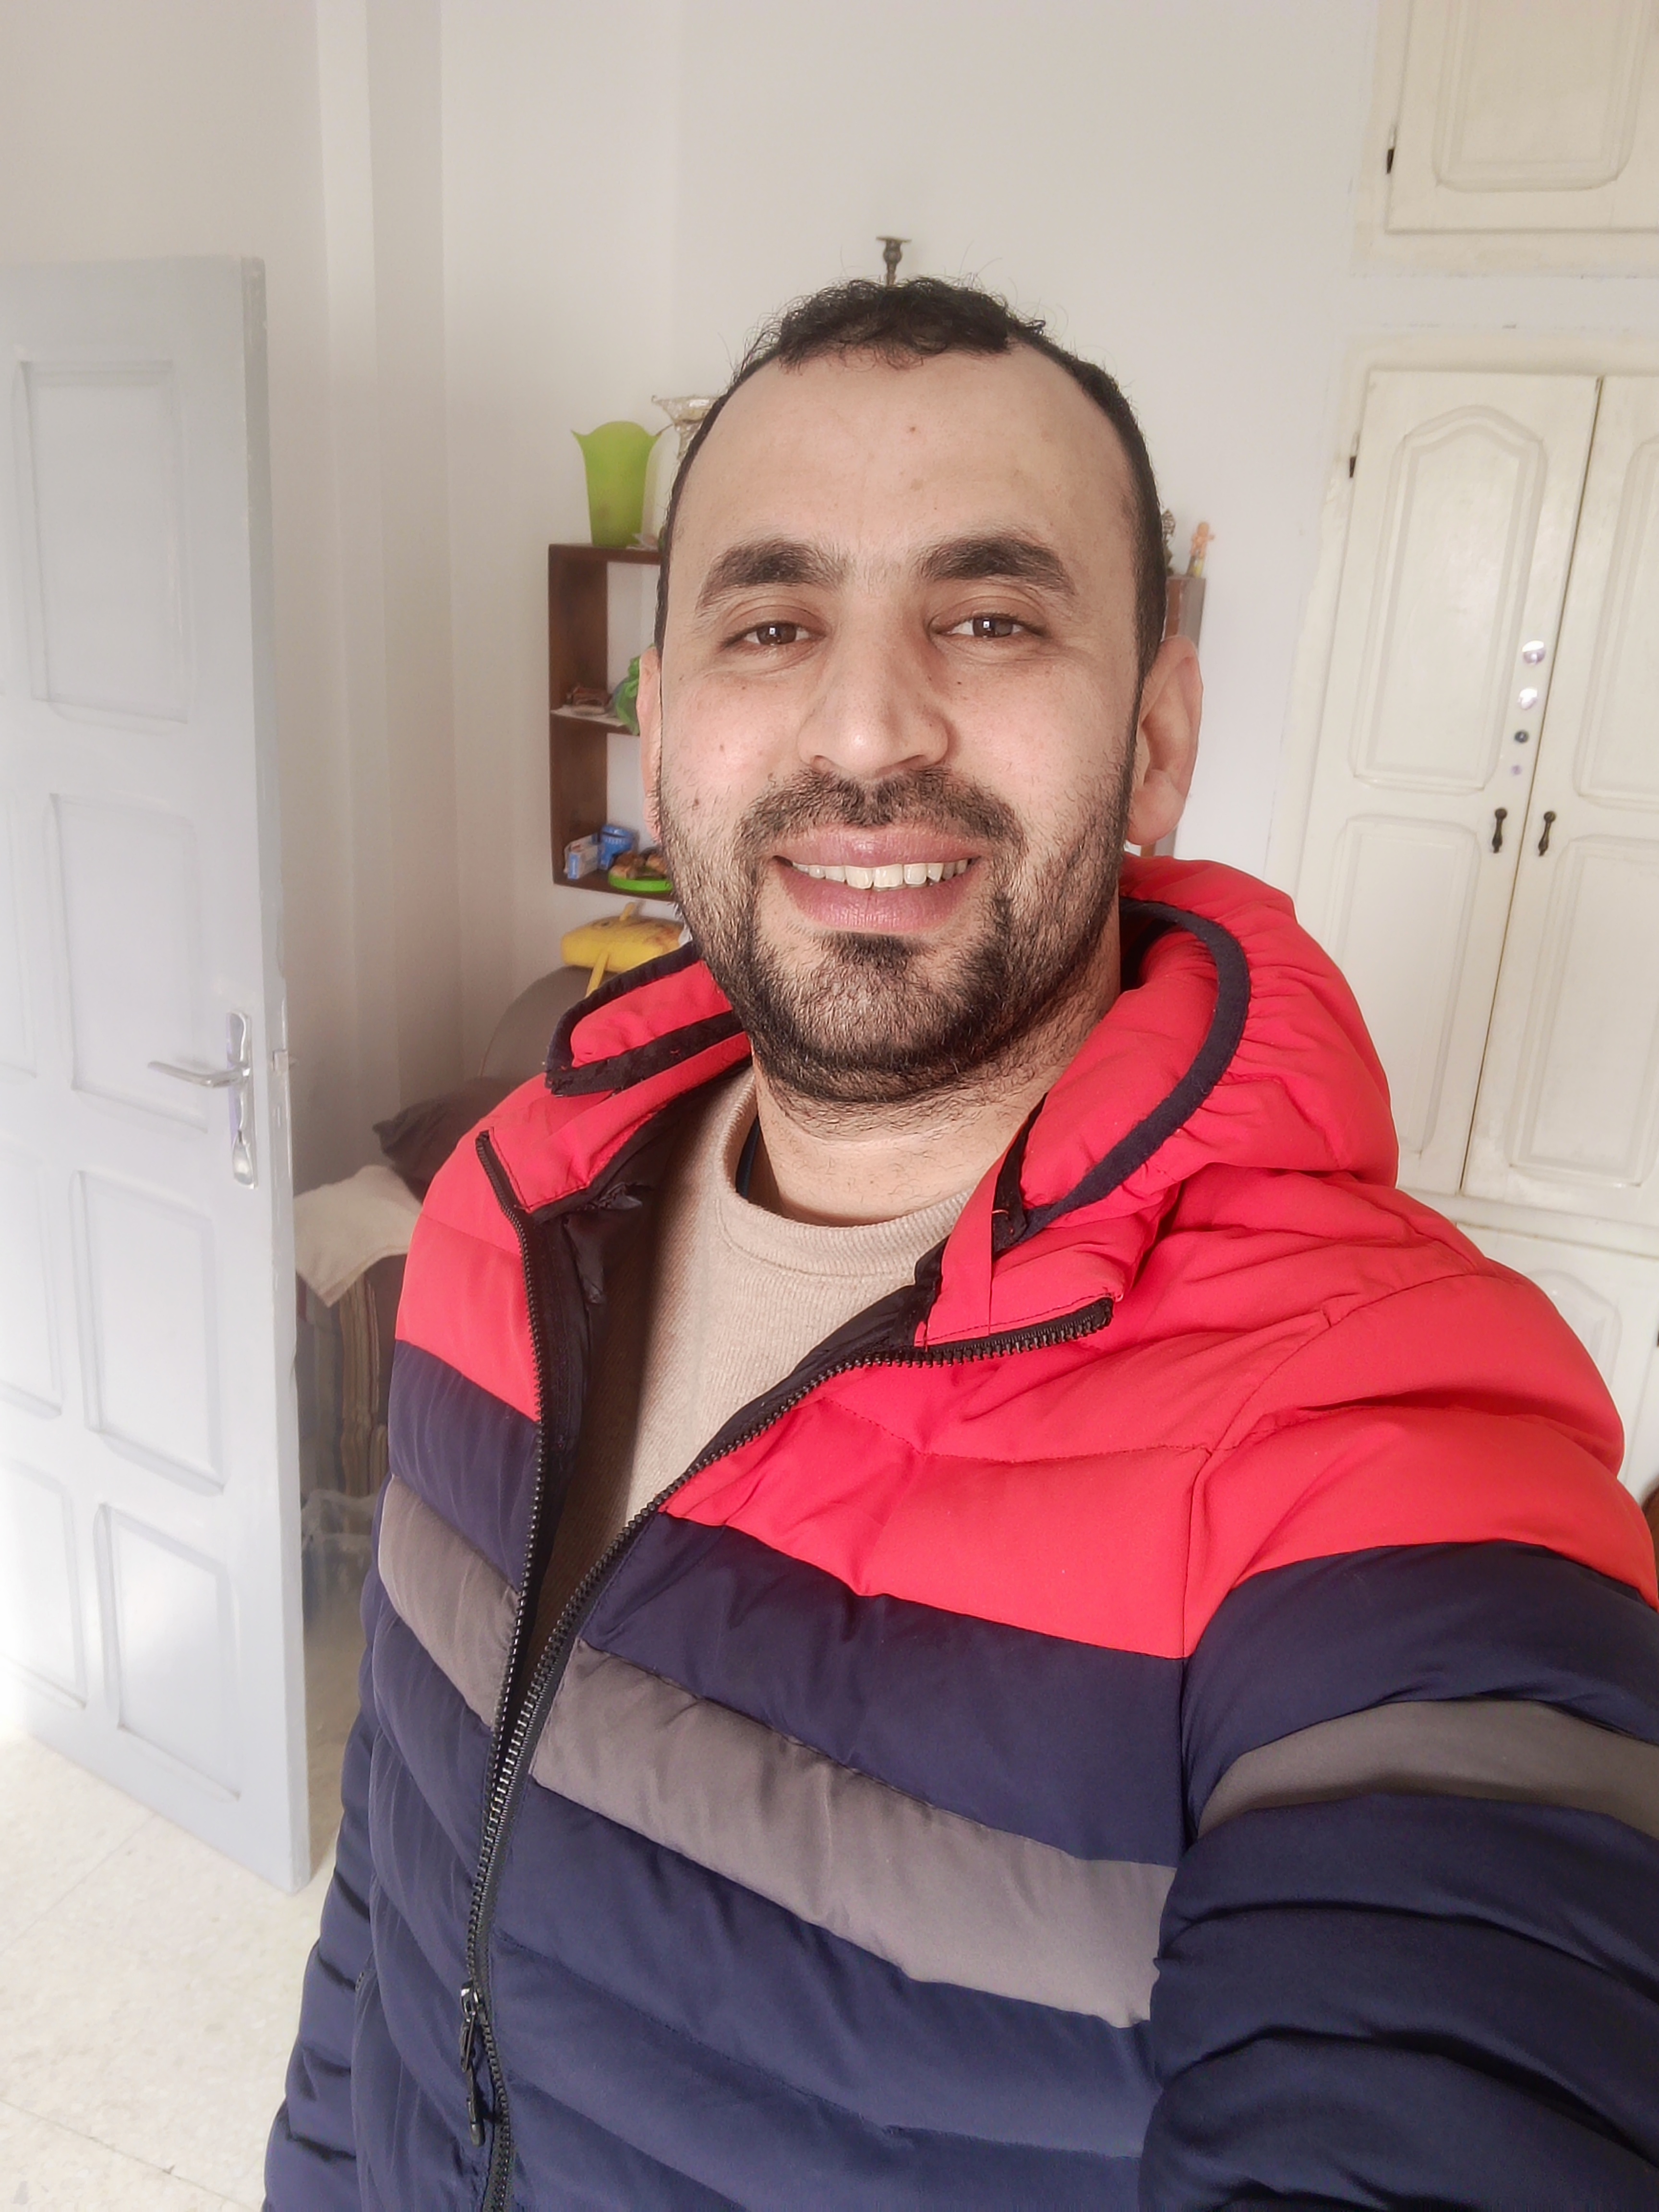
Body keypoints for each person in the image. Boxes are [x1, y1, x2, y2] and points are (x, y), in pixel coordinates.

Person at [268, 278, 1659, 2209]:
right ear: (665, 735)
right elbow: (401, 1865)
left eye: (991, 616)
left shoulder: (1372, 1442)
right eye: (772, 622)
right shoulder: (505, 1206)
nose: (866, 724)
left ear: (1155, 740)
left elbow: (1458, 2043)